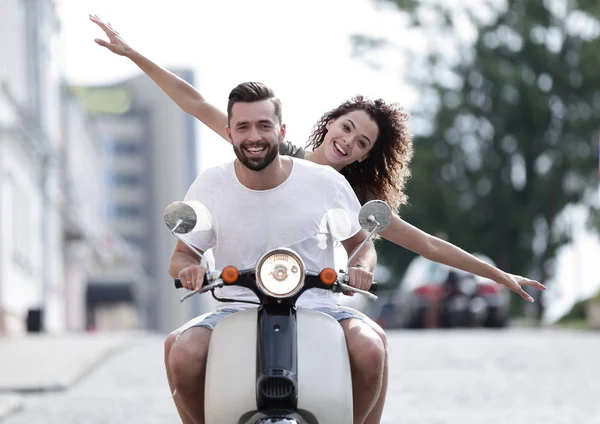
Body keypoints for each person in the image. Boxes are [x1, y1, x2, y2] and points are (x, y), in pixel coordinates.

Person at [90, 15, 547, 423]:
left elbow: (427, 245)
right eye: (346, 127)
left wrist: (499, 275)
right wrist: (133, 53)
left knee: (371, 346)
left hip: (314, 301)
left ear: (369, 156)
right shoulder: (266, 150)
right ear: (328, 123)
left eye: (363, 142)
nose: (348, 141)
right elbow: (194, 103)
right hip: (239, 298)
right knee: (181, 350)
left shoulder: (349, 195)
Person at [168, 81, 383, 424]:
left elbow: (361, 244)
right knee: (182, 352)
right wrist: (188, 269)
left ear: (281, 131)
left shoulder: (325, 183)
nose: (254, 136)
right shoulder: (210, 185)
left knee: (370, 348)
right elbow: (182, 256)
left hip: (320, 305)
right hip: (236, 306)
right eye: (243, 127)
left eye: (264, 126)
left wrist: (360, 269)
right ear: (230, 132)